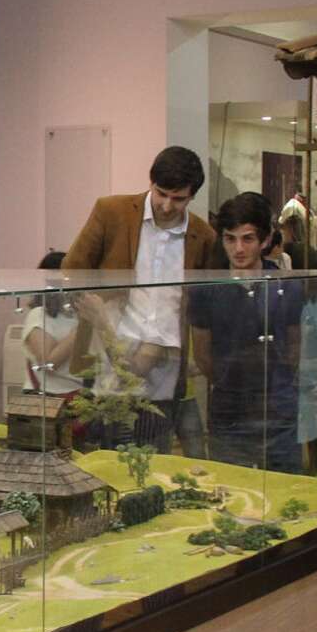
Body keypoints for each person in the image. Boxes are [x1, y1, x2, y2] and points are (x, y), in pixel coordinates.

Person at [61, 146, 218, 452]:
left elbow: (202, 302)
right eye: (161, 194)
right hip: (107, 360)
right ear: (151, 183)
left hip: (165, 367)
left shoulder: (203, 236)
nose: (167, 206)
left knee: (154, 456)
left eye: (178, 199)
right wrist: (98, 308)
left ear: (191, 196)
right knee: (102, 455)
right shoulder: (112, 212)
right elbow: (72, 270)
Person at [188, 192, 303, 472]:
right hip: (229, 406)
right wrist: (228, 379)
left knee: (285, 483)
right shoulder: (206, 289)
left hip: (278, 404)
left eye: (247, 239)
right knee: (230, 483)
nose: (238, 248)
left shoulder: (286, 285)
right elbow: (202, 355)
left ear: (265, 239)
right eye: (230, 239)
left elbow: (294, 347)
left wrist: (277, 382)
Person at [22, 251, 85, 396]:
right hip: (51, 396)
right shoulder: (39, 314)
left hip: (80, 393)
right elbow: (48, 364)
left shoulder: (75, 313)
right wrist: (82, 328)